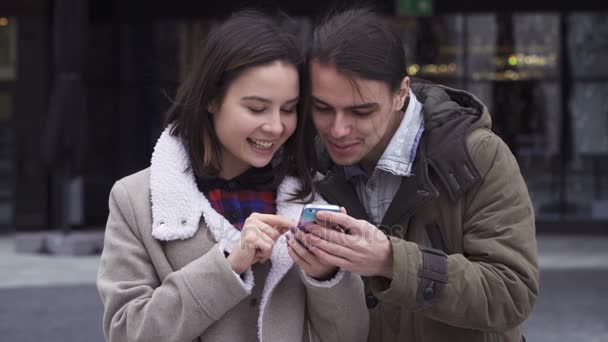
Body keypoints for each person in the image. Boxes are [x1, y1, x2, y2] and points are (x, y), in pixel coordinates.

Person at [96, 10, 368, 342]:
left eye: (288, 109)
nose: (275, 126)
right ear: (211, 98)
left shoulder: (312, 195)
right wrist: (228, 263)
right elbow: (126, 332)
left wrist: (327, 274)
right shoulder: (135, 199)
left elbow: (351, 335)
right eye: (256, 108)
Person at [295, 8, 540, 342]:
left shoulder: (480, 156)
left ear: (401, 93)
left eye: (361, 111)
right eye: (322, 108)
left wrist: (391, 261)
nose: (337, 129)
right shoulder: (309, 168)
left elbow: (511, 293)